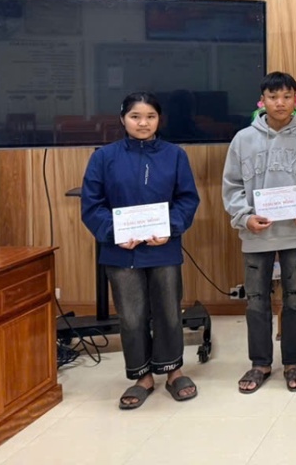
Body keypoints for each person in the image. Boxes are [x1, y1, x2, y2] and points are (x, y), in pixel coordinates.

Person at [81, 92, 200, 409]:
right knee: (131, 317)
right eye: (135, 116)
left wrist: (170, 227)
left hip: (163, 248)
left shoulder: (175, 155)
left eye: (150, 116)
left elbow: (187, 199)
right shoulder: (103, 157)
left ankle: (173, 372)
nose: (143, 123)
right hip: (121, 252)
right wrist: (116, 233)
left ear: (159, 120)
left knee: (168, 311)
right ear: (123, 119)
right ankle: (142, 377)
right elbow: (92, 205)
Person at [223, 71, 296, 394]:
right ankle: (260, 363)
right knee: (257, 301)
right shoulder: (243, 139)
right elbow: (232, 186)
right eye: (273, 97)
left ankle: (293, 361)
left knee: (295, 299)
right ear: (262, 101)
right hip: (256, 235)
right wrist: (245, 217)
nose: (280, 103)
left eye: (286, 96)